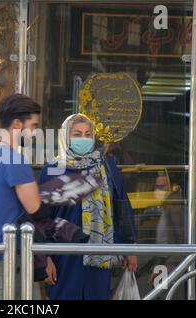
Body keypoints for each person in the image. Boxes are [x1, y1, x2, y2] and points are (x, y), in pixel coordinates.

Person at [39, 113, 138, 300]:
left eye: (87, 134)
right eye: (77, 134)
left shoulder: (106, 166)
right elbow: (43, 217)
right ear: (65, 136)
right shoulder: (52, 169)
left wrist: (129, 247)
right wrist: (46, 257)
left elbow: (121, 206)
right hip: (64, 256)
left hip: (99, 254)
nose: (83, 139)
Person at [0, 94, 43, 300]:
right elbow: (35, 208)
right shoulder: (15, 160)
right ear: (17, 124)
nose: (35, 132)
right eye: (33, 125)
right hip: (12, 252)